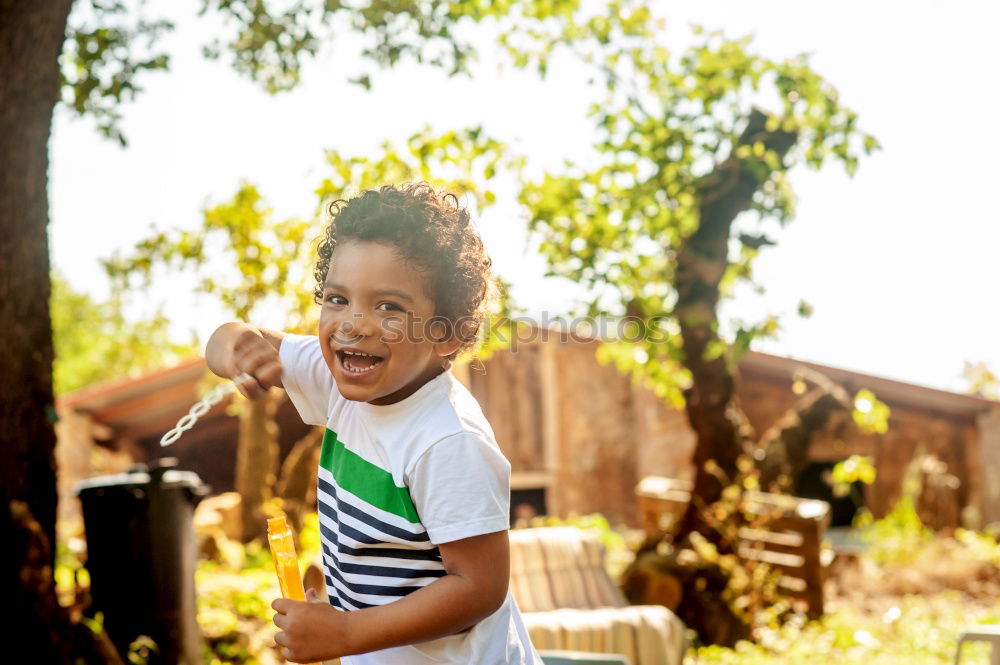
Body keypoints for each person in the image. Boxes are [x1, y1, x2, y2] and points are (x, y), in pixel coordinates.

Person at [204, 183, 542, 665]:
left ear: (449, 334)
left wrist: (344, 634)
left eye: (388, 307)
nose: (352, 324)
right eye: (337, 299)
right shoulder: (339, 378)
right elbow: (234, 334)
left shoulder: (446, 441)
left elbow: (479, 587)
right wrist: (234, 348)